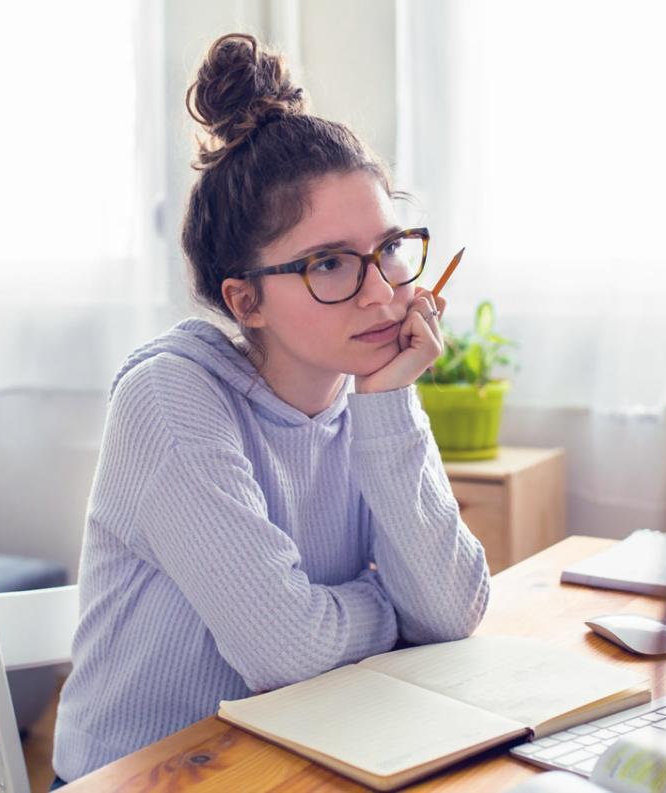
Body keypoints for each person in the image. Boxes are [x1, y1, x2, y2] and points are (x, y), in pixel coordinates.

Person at [50, 32, 491, 786]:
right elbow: (289, 652)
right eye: (329, 263)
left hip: (308, 754)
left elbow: (451, 614)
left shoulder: (366, 391)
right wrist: (389, 607)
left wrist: (390, 402)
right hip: (153, 777)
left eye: (389, 248)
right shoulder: (170, 397)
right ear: (244, 300)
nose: (382, 292)